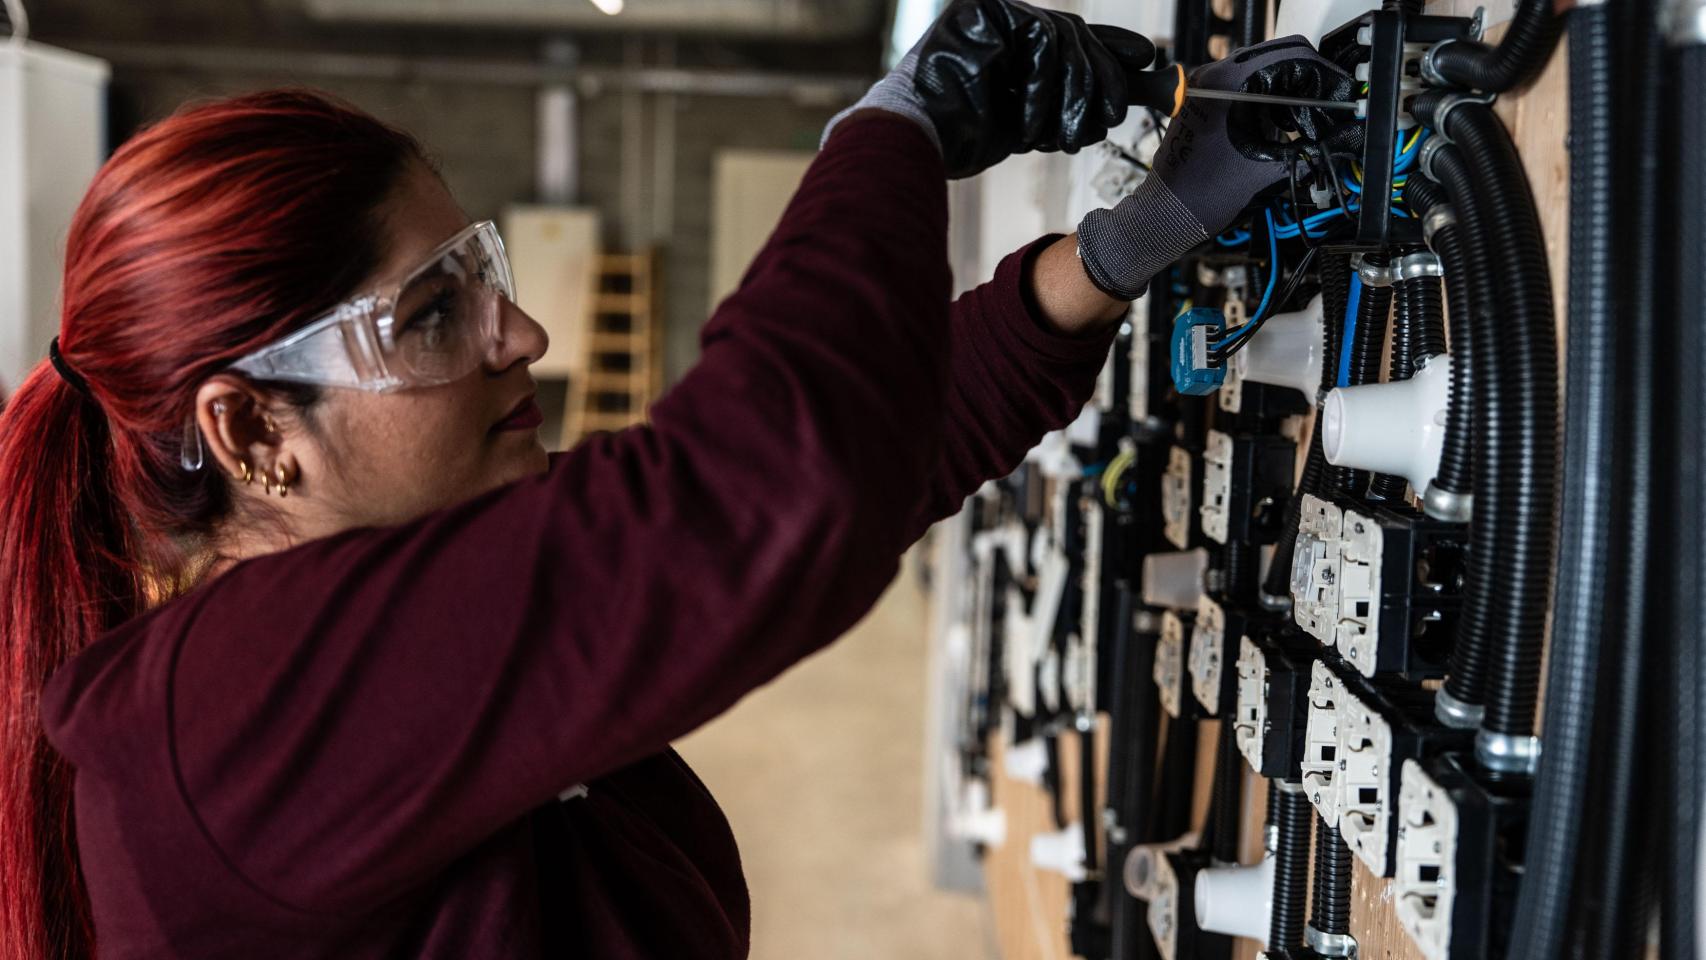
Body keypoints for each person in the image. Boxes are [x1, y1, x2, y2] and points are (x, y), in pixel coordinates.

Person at [0, 2, 1349, 956]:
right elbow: (767, 498)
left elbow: (858, 456)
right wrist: (893, 133)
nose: (521, 337)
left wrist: (1120, 250)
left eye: (486, 279)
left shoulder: (373, 608)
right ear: (249, 436)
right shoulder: (224, 718)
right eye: (429, 314)